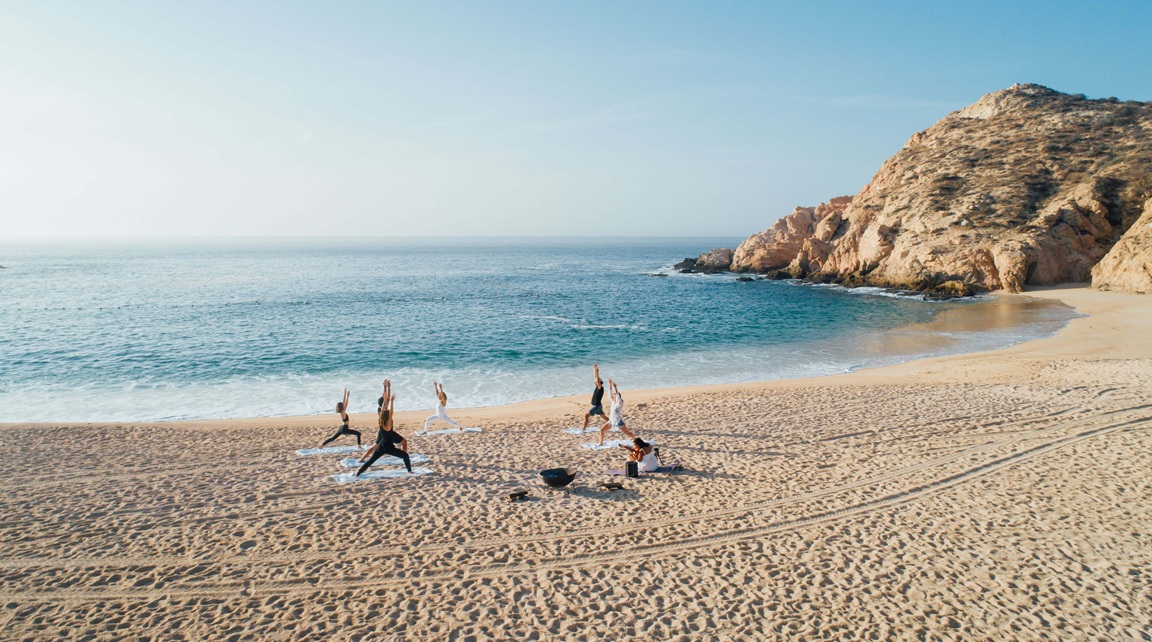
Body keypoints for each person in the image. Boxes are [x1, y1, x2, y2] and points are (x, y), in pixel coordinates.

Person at [355, 380, 412, 476]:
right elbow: (388, 404)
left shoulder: (381, 417)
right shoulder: (387, 422)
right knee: (403, 453)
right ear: (384, 404)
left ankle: (359, 472)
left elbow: (386, 399)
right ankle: (409, 469)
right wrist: (390, 396)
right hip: (388, 442)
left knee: (371, 458)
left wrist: (386, 387)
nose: (387, 401)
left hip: (382, 443)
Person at [598, 378, 636, 446]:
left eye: (614, 394)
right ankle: (600, 443)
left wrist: (615, 387)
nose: (613, 395)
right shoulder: (613, 402)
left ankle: (635, 441)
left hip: (619, 422)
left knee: (628, 433)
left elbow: (618, 396)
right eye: (614, 394)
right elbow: (609, 394)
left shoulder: (619, 403)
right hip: (611, 421)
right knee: (601, 430)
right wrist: (610, 385)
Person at [580, 363, 606, 431]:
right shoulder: (598, 387)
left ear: (599, 382)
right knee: (604, 417)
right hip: (598, 406)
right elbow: (596, 378)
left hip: (596, 406)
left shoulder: (600, 388)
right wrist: (594, 370)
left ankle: (583, 430)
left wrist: (597, 372)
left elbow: (597, 379)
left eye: (596, 382)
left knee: (586, 416)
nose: (595, 382)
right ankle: (613, 425)